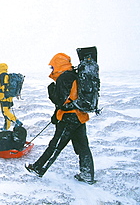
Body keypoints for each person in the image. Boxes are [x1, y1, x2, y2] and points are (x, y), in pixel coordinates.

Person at [25, 53, 95, 184]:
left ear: (59, 64)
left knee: (55, 145)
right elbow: (70, 99)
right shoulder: (74, 75)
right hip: (79, 116)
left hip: (69, 118)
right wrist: (55, 115)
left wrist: (51, 92)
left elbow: (61, 100)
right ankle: (87, 175)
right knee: (83, 147)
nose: (52, 70)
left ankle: (38, 168)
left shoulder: (64, 78)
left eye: (52, 67)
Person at [0, 63, 23, 130]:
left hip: (4, 97)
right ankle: (6, 128)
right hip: (9, 97)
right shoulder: (7, 75)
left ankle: (17, 121)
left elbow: (4, 87)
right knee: (6, 113)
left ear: (0, 68)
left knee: (6, 112)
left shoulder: (2, 76)